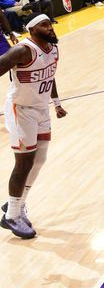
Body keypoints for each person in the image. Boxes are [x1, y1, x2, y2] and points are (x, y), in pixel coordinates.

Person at [0, 14, 68, 239]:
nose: (50, 28)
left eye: (50, 24)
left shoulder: (53, 48)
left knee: (39, 159)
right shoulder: (22, 50)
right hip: (21, 109)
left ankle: (16, 206)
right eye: (44, 25)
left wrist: (56, 103)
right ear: (31, 29)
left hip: (40, 108)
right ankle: (12, 216)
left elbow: (51, 75)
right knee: (25, 161)